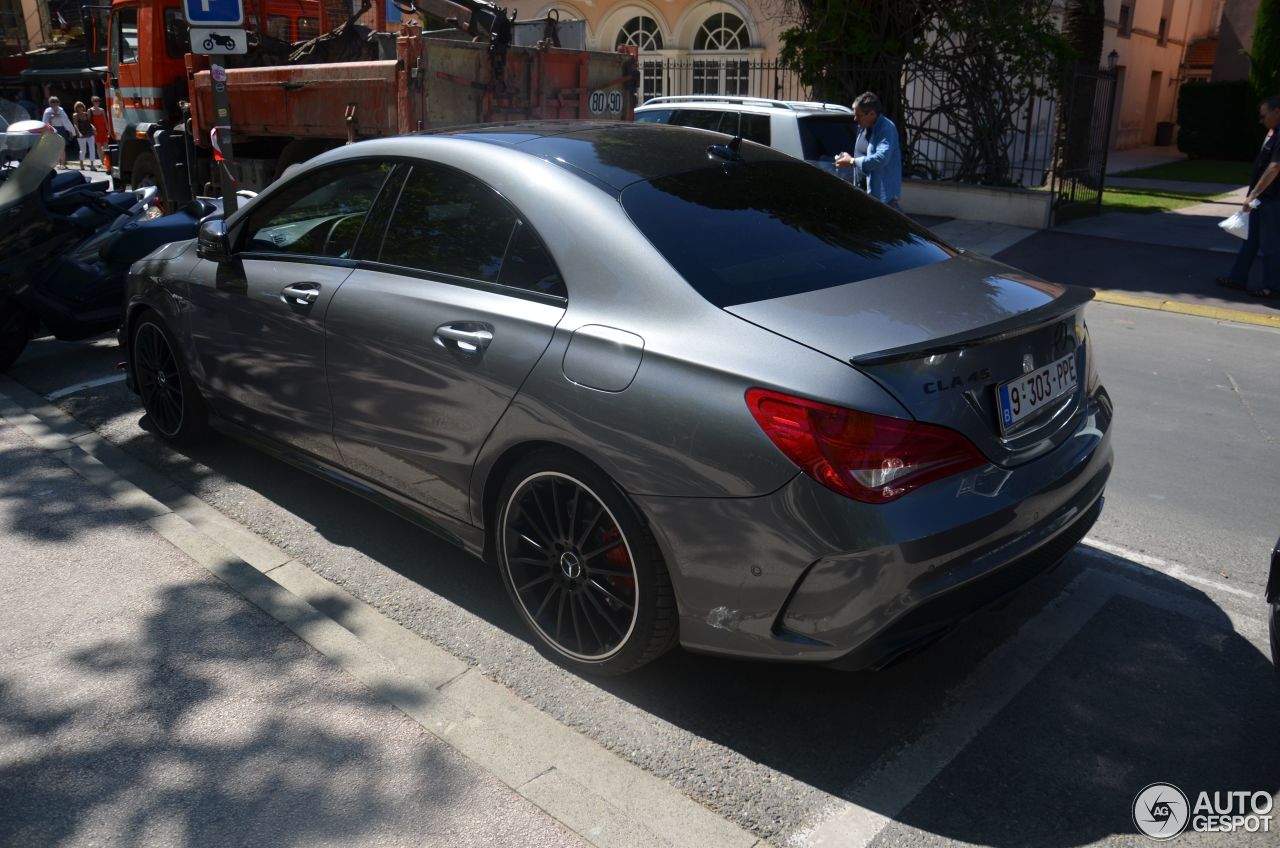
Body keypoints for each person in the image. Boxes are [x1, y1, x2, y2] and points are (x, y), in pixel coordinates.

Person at [1216, 95, 1280, 299]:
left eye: (1264, 115)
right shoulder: (1274, 133)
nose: (1261, 120)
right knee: (1250, 241)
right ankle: (1238, 278)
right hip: (1262, 200)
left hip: (1272, 199)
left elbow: (1274, 167)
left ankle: (1272, 286)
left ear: (1277, 112)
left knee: (1270, 245)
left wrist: (1254, 193)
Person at [834, 91, 903, 208]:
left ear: (871, 114)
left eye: (859, 115)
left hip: (882, 200)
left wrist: (852, 161)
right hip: (863, 195)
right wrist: (848, 158)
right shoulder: (863, 127)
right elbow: (862, 153)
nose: (855, 119)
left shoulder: (886, 129)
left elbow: (881, 159)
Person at [40, 96, 74, 169]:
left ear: (58, 102)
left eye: (56, 102)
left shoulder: (61, 110)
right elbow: (45, 123)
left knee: (62, 147)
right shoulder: (47, 111)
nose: (54, 103)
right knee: (55, 148)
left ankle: (63, 164)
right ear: (50, 103)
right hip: (52, 130)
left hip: (61, 129)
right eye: (52, 102)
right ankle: (57, 163)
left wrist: (71, 131)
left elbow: (66, 122)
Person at [72, 101, 96, 170]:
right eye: (78, 107)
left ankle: (92, 165)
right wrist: (78, 132)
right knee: (83, 150)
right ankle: (81, 163)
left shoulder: (86, 114)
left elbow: (89, 123)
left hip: (89, 132)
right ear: (76, 108)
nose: (80, 108)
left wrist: (93, 127)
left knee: (92, 148)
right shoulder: (75, 115)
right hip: (81, 133)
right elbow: (75, 124)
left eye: (81, 106)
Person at [89, 95, 110, 167]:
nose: (97, 102)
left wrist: (108, 130)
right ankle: (102, 161)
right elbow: (89, 122)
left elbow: (105, 121)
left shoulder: (102, 110)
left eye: (98, 101)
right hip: (95, 131)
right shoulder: (90, 110)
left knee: (106, 146)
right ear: (92, 102)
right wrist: (93, 129)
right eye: (95, 101)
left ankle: (106, 160)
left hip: (103, 130)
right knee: (98, 146)